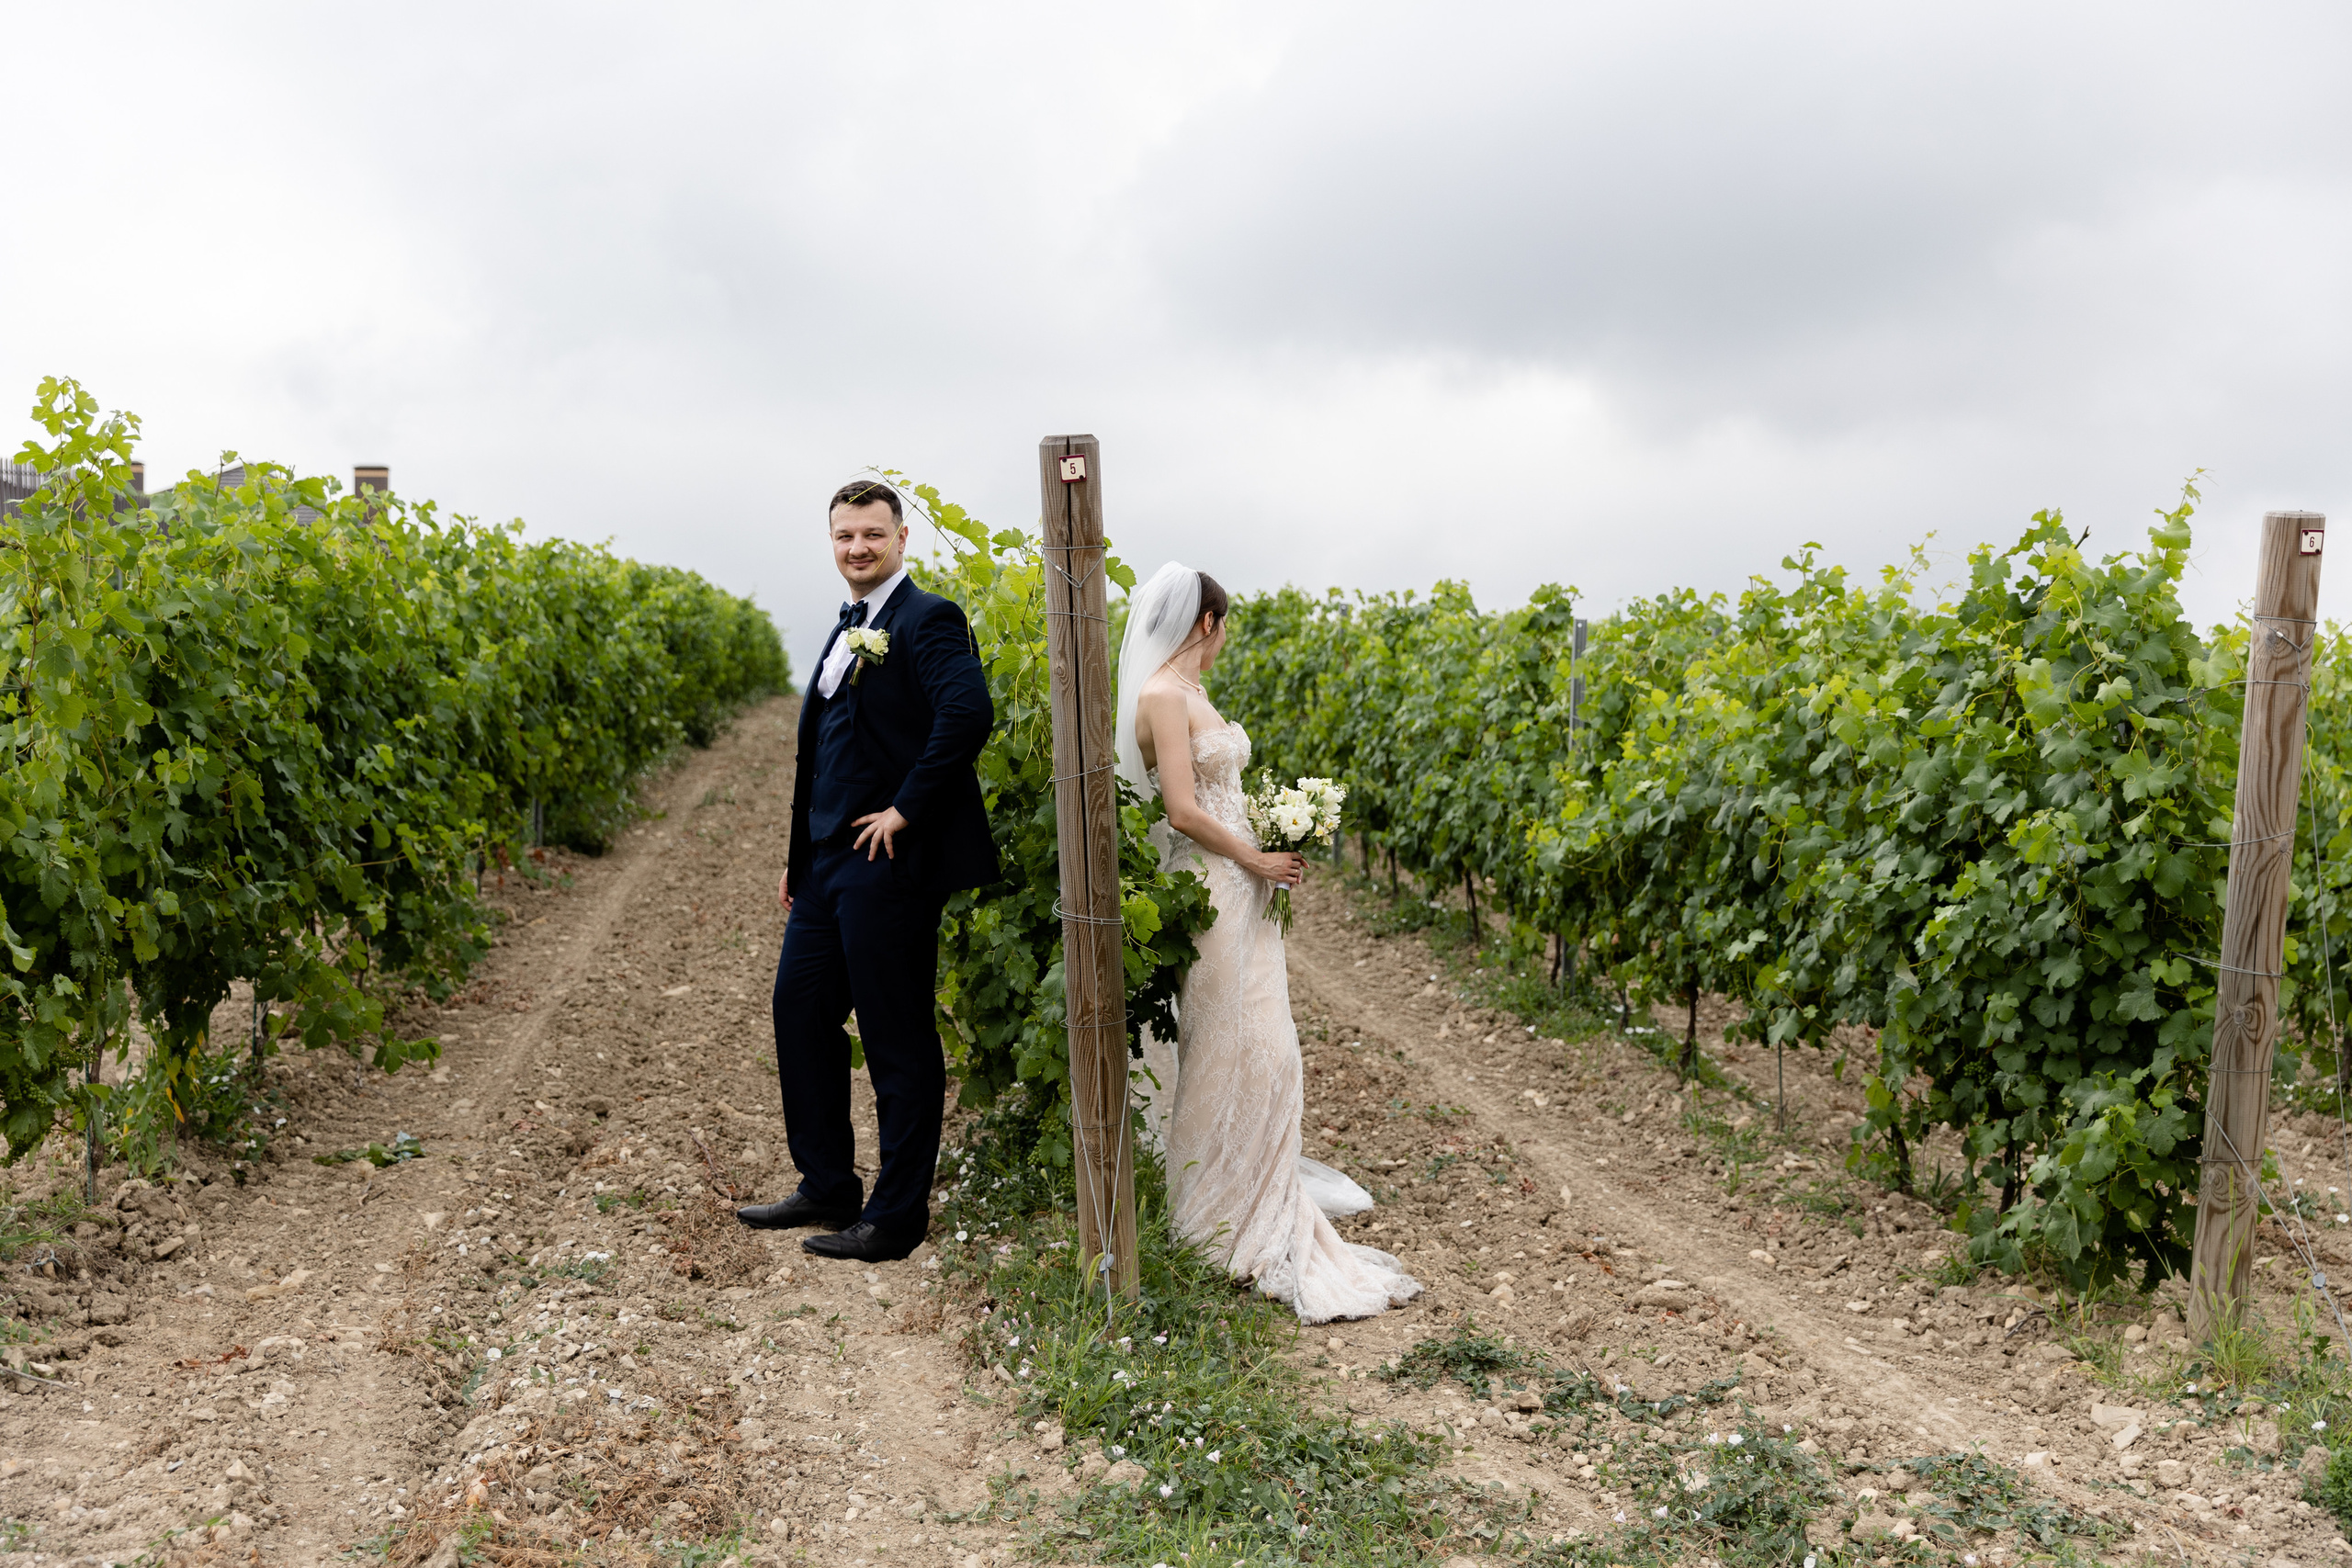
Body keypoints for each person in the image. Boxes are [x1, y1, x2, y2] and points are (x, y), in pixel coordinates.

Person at [1119, 562, 1422, 1323]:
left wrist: (1280, 831)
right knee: (1233, 1042)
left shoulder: (1194, 692)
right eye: (1223, 628)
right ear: (1207, 624)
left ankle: (1255, 1187)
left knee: (1265, 1044)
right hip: (1215, 886)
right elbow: (1183, 810)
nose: (1223, 641)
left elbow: (1221, 794)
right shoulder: (1160, 693)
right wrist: (1252, 856)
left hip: (1245, 886)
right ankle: (1212, 1216)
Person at [738, 479, 998, 1262]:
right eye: (845, 536)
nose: (858, 548)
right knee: (799, 1007)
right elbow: (818, 753)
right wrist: (795, 860)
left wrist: (906, 810)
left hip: (888, 862)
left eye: (872, 535)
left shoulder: (929, 618)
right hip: (823, 868)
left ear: (902, 538)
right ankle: (827, 1182)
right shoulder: (848, 623)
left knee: (896, 1036)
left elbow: (968, 711)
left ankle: (896, 1216)